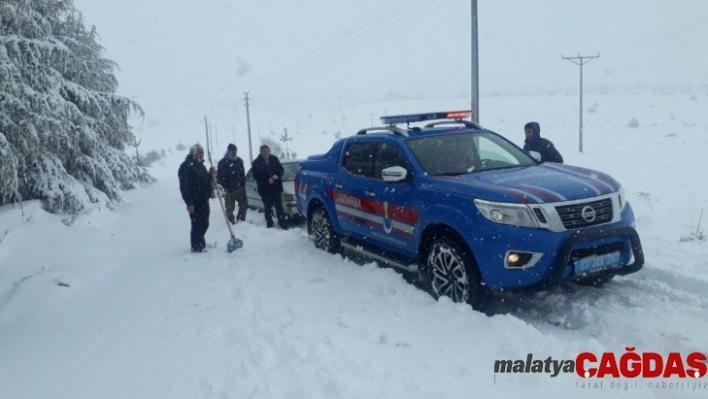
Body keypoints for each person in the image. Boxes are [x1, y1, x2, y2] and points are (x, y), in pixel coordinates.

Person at [178, 144, 216, 252]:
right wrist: (189, 203)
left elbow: (204, 180)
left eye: (202, 152)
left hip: (204, 200)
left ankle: (200, 242)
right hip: (195, 201)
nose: (202, 154)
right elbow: (184, 187)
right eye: (200, 152)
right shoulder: (186, 166)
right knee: (197, 224)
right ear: (193, 153)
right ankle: (196, 247)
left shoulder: (200, 165)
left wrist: (210, 174)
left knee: (204, 223)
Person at [251, 145, 289, 230]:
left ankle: (283, 223)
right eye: (264, 151)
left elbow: (281, 170)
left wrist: (277, 175)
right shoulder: (256, 163)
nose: (266, 153)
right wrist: (267, 180)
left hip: (276, 188)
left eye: (267, 151)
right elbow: (256, 176)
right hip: (265, 190)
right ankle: (269, 224)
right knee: (268, 208)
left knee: (279, 207)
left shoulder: (274, 159)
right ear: (261, 152)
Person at [217, 143, 248, 224]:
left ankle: (241, 220)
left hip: (240, 188)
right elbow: (219, 177)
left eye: (235, 151)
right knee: (229, 208)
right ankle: (231, 221)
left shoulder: (239, 161)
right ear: (228, 151)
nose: (234, 152)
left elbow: (242, 173)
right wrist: (225, 185)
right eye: (232, 151)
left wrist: (242, 182)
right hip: (229, 189)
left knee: (244, 205)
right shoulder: (222, 162)